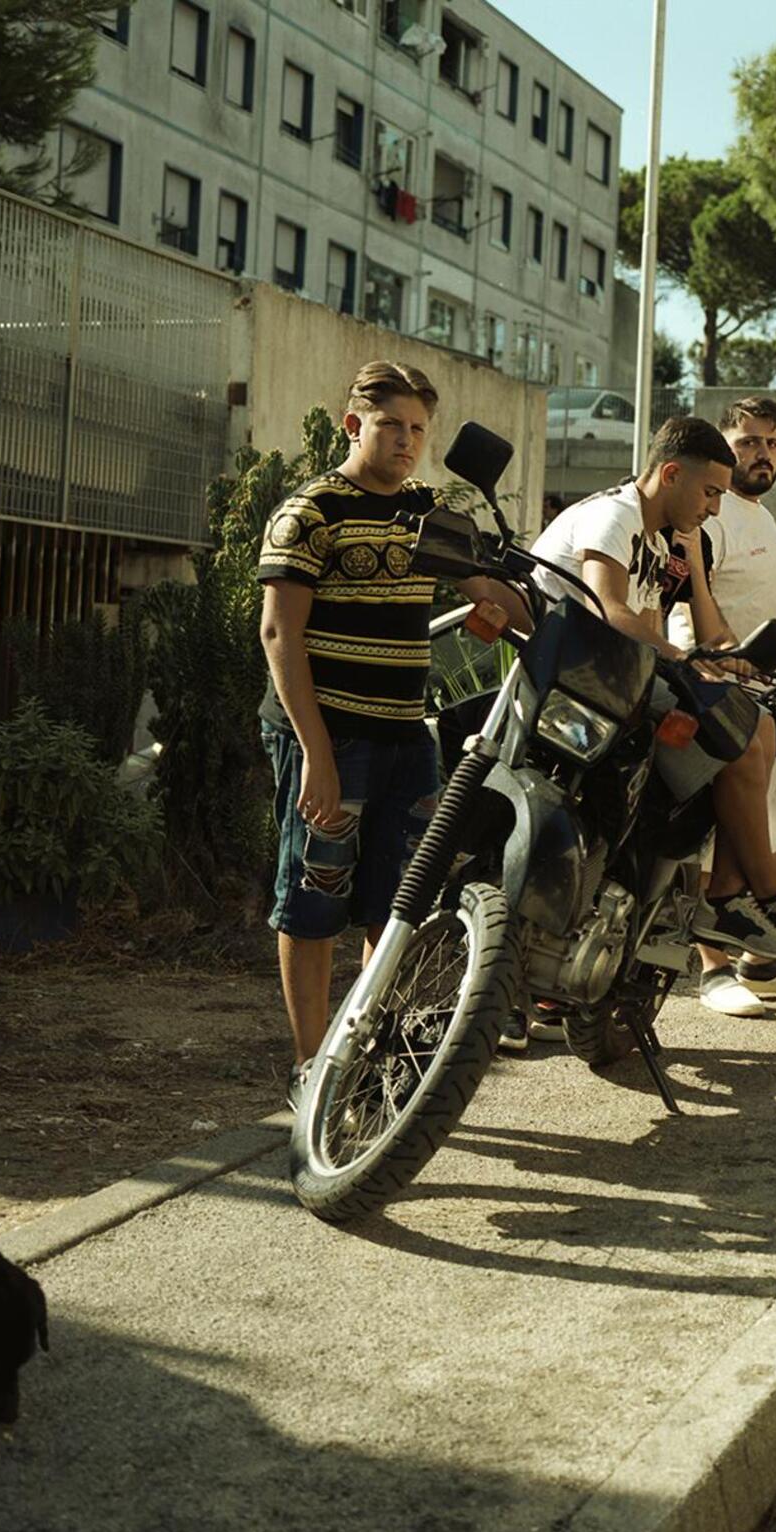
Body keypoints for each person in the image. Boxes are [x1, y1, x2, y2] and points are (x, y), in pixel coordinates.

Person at [257, 360, 531, 1098]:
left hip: (409, 738)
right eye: (392, 425)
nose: (408, 441)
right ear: (354, 425)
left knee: (398, 906)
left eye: (418, 429)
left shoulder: (429, 507)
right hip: (328, 739)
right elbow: (280, 636)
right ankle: (312, 1068)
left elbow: (483, 589)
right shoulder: (309, 512)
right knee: (315, 903)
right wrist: (316, 756)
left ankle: (369, 1053)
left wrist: (514, 609)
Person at [529, 416, 776, 964]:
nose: (715, 507)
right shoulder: (615, 514)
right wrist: (687, 662)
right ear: (670, 474)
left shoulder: (661, 539)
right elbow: (610, 611)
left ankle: (728, 900)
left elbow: (662, 623)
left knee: (756, 720)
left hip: (611, 687)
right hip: (567, 693)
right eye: (710, 492)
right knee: (731, 732)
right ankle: (756, 892)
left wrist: (722, 664)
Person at [665, 397, 776, 1020]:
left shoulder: (760, 517)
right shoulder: (710, 517)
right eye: (747, 442)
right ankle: (714, 970)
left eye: (769, 443)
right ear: (722, 445)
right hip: (729, 703)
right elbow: (686, 604)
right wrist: (707, 675)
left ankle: (761, 962)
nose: (761, 454)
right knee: (724, 845)